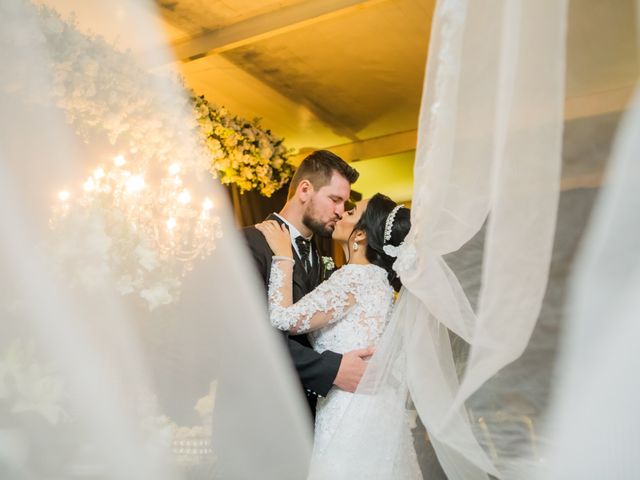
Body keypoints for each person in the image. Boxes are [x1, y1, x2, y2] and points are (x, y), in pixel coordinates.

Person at [256, 193, 421, 477]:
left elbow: (283, 318)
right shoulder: (381, 284)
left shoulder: (354, 278)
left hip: (349, 411)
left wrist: (283, 257)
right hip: (375, 408)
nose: (341, 213)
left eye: (352, 211)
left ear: (360, 237)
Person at [243, 149, 371, 418]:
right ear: (304, 190)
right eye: (335, 199)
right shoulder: (247, 243)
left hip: (315, 415)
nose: (340, 211)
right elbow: (249, 334)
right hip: (259, 415)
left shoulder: (323, 258)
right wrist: (331, 369)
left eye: (345, 203)